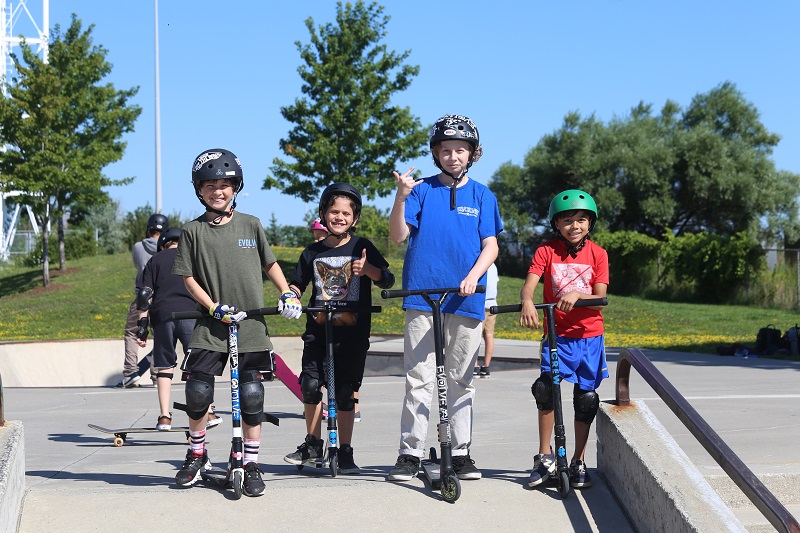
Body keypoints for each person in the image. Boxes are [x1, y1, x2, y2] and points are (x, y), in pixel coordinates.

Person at [171, 148, 303, 496]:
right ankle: (197, 455)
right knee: (197, 390)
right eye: (210, 184)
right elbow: (187, 278)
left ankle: (250, 462)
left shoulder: (251, 224)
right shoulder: (192, 231)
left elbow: (270, 265)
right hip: (211, 323)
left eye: (225, 184)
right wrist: (212, 306)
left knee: (251, 394)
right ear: (199, 190)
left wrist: (288, 292)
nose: (218, 190)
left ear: (236, 187)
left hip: (251, 324)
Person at [387, 114, 503, 482]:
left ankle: (461, 450)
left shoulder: (482, 195)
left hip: (465, 298)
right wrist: (401, 196)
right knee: (418, 377)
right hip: (422, 298)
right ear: (436, 154)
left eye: (460, 150)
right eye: (446, 150)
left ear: (472, 154)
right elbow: (398, 236)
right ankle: (410, 453)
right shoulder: (421, 190)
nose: (453, 156)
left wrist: (472, 277)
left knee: (460, 378)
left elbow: (491, 245)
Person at [284, 182, 394, 474]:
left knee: (346, 393)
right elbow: (297, 283)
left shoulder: (363, 247)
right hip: (318, 331)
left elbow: (387, 279)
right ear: (323, 214)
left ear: (355, 218)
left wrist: (367, 270)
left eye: (346, 213)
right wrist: (291, 296)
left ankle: (345, 451)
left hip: (352, 335)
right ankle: (312, 443)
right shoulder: (312, 252)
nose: (340, 217)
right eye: (334, 211)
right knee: (310, 386)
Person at [519, 189, 608, 490]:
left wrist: (578, 295)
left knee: (585, 400)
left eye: (582, 220)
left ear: (590, 224)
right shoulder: (546, 252)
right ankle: (545, 457)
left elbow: (600, 299)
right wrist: (528, 301)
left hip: (589, 336)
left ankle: (578, 460)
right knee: (546, 391)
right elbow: (529, 285)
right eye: (568, 220)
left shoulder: (598, 254)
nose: (575, 226)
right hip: (558, 336)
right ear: (556, 224)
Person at [135, 227, 220, 431]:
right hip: (190, 315)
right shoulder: (192, 260)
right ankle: (208, 412)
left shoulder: (154, 261)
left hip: (163, 317)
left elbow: (144, 295)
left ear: (163, 244)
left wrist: (142, 328)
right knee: (199, 365)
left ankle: (164, 417)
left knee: (164, 366)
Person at [121, 213, 168, 388]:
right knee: (160, 335)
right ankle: (157, 376)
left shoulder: (138, 247)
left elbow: (137, 265)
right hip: (161, 297)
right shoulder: (165, 249)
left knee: (132, 332)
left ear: (148, 230)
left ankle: (130, 372)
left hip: (142, 296)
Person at [474, 262, 499, 378]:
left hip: (481, 304)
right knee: (489, 335)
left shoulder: (480, 264)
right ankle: (486, 367)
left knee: (476, 336)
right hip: (493, 304)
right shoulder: (493, 266)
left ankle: (474, 366)